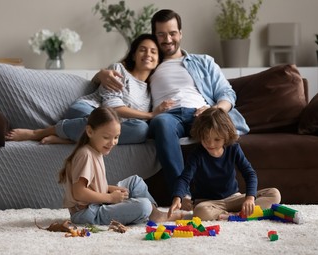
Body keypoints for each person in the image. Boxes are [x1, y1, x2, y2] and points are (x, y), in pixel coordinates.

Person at [93, 9, 250, 209]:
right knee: (159, 122)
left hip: (201, 113)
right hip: (168, 116)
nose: (167, 39)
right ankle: (182, 196)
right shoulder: (149, 62)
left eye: (172, 33)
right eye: (161, 34)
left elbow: (227, 93)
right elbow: (118, 75)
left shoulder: (203, 61)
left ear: (180, 33)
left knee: (219, 126)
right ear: (154, 35)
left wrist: (214, 111)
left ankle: (229, 196)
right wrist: (100, 74)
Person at [5, 33, 166, 145]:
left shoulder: (151, 91)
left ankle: (69, 140)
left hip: (111, 130)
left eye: (153, 51)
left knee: (141, 130)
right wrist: (150, 114)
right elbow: (111, 106)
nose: (148, 54)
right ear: (133, 55)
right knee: (102, 123)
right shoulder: (118, 70)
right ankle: (37, 133)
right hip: (88, 110)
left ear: (159, 59)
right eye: (142, 49)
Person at [59, 106, 188, 225]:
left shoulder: (95, 151)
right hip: (87, 213)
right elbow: (79, 192)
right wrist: (110, 197)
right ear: (90, 132)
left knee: (135, 182)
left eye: (116, 137)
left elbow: (92, 186)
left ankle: (154, 214)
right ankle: (150, 212)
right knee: (144, 206)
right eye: (106, 137)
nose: (112, 142)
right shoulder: (85, 154)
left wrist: (109, 189)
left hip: (96, 204)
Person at [167, 107, 281, 221]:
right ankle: (237, 214)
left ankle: (233, 214)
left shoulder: (234, 148)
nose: (210, 144)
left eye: (216, 139)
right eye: (206, 138)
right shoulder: (197, 155)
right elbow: (184, 179)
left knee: (274, 194)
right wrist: (178, 198)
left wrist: (250, 198)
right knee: (200, 212)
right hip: (209, 203)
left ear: (226, 136)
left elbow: (249, 173)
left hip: (233, 198)